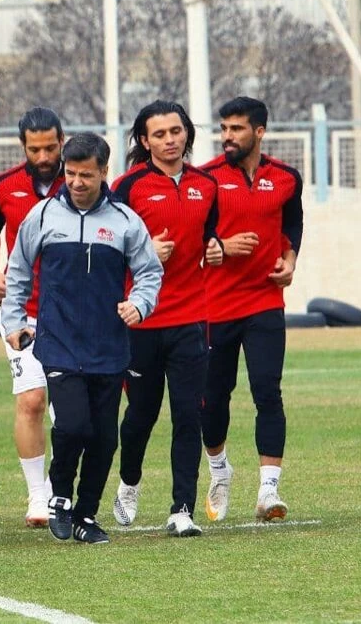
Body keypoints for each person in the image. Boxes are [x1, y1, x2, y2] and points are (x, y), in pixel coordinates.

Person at [3, 132, 162, 545]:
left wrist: (140, 305)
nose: (75, 182)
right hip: (58, 341)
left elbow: (149, 274)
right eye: (70, 174)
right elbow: (18, 271)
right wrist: (14, 321)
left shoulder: (126, 222)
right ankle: (59, 497)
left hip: (109, 345)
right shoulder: (41, 216)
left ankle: (86, 515)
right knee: (72, 426)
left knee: (104, 437)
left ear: (104, 172)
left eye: (85, 175)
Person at [109, 101, 224, 537]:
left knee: (188, 416)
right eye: (159, 134)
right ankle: (130, 481)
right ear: (144, 141)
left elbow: (208, 234)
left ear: (186, 134)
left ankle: (182, 510)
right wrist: (142, 254)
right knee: (141, 414)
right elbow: (104, 248)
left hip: (191, 319)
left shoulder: (206, 185)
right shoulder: (127, 187)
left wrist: (214, 247)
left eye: (176, 131)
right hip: (141, 321)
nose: (170, 140)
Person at [199, 96, 303, 522]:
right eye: (224, 128)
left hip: (264, 302)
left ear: (259, 131)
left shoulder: (286, 178)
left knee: (267, 391)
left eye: (237, 129)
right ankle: (220, 471)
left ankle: (268, 492)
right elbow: (193, 239)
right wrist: (219, 248)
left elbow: (293, 223)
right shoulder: (204, 180)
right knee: (213, 399)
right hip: (214, 304)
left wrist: (291, 259)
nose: (228, 136)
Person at [0, 107, 66, 527]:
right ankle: (37, 496)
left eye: (51, 146)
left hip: (75, 313)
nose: (44, 155)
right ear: (23, 147)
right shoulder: (5, 187)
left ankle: (62, 488)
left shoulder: (84, 178)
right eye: (35, 148)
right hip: (23, 310)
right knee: (32, 399)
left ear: (62, 141)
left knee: (68, 407)